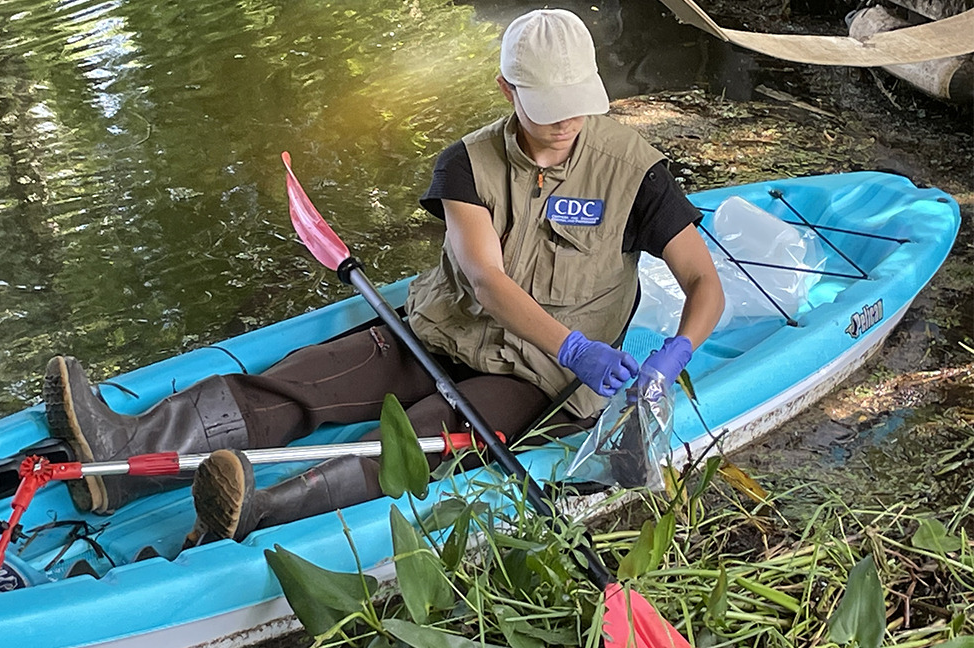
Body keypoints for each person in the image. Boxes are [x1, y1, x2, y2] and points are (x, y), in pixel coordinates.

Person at [41, 8, 724, 548]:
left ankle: (262, 509)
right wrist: (575, 342)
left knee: (412, 441)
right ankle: (122, 455)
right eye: (547, 104)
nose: (566, 122)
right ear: (507, 90)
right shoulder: (466, 164)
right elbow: (485, 279)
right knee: (298, 381)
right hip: (436, 331)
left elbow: (703, 283)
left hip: (534, 380)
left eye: (576, 102)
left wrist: (675, 353)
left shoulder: (635, 170)